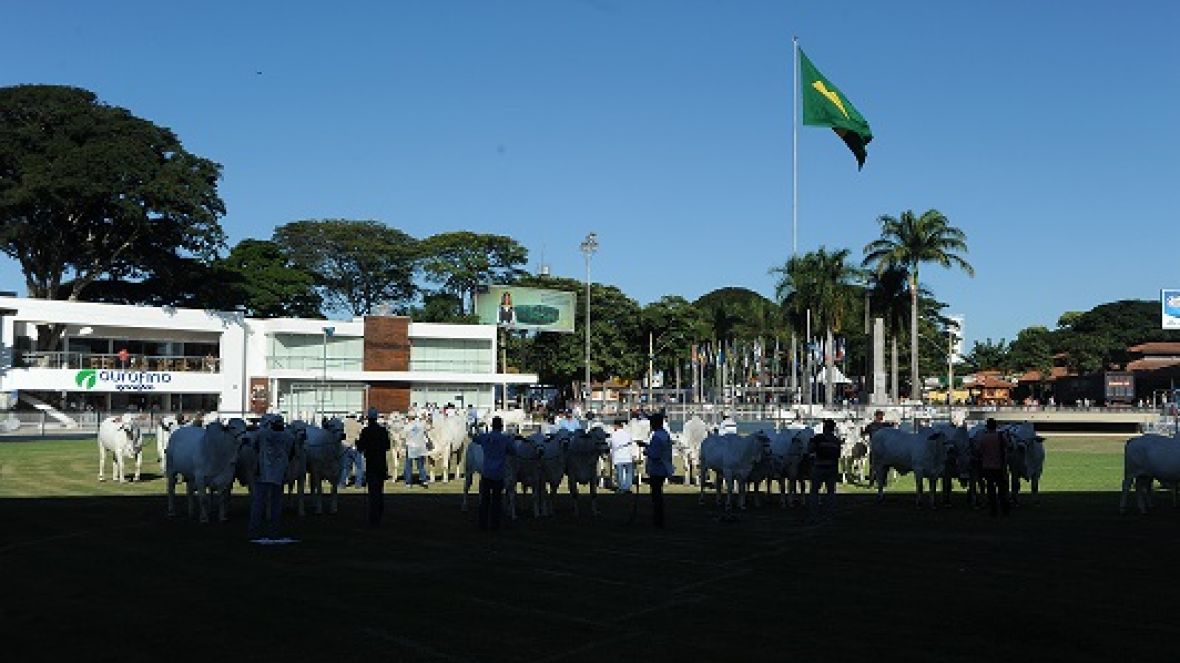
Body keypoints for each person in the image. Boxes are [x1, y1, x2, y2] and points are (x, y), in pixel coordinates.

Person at [248, 415, 295, 542]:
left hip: (263, 473)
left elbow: (252, 445)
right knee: (276, 505)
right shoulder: (289, 436)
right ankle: (274, 532)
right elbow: (292, 453)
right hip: (279, 474)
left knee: (258, 504)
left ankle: (254, 531)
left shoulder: (262, 434)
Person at [471, 416, 513, 530]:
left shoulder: (486, 437)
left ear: (492, 426)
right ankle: (495, 524)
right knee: (497, 501)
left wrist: (474, 428)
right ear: (501, 426)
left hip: (486, 472)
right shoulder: (505, 439)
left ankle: (482, 524)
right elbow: (513, 450)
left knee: (484, 500)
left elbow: (474, 439)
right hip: (499, 473)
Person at [355, 407, 391, 526]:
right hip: (381, 463)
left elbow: (360, 447)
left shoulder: (366, 431)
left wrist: (358, 443)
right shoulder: (383, 431)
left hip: (370, 464)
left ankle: (373, 517)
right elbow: (387, 446)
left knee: (372, 492)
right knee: (379, 491)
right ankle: (380, 513)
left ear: (368, 418)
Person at [641, 413, 673, 527]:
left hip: (657, 468)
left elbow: (654, 454)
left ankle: (658, 520)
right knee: (658, 494)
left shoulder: (657, 436)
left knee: (656, 495)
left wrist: (645, 450)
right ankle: (659, 519)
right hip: (664, 467)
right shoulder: (665, 435)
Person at [808, 419, 842, 522]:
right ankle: (830, 514)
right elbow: (838, 456)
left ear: (824, 428)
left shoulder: (818, 438)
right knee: (831, 492)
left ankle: (814, 514)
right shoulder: (836, 441)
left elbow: (810, 449)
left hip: (818, 467)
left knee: (814, 491)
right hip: (831, 468)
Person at [976, 418, 1009, 517]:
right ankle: (1004, 509)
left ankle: (993, 510)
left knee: (990, 489)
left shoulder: (983, 438)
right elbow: (1008, 446)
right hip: (999, 466)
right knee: (1002, 489)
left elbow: (979, 451)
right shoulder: (1000, 437)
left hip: (987, 466)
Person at [338, 413, 365, 489]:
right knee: (359, 467)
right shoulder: (358, 425)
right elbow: (362, 435)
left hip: (345, 447)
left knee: (345, 467)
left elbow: (340, 435)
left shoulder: (343, 424)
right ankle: (358, 484)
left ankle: (342, 484)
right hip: (356, 447)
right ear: (355, 416)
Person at [403, 412, 430, 488]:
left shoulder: (407, 426)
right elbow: (426, 431)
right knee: (421, 466)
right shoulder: (421, 424)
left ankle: (408, 482)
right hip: (420, 447)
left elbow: (403, 436)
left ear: (408, 417)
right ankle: (424, 480)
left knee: (409, 466)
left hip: (411, 447)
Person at [609, 419, 635, 492]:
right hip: (627, 456)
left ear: (616, 426)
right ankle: (627, 486)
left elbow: (612, 445)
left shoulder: (614, 435)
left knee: (620, 474)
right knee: (628, 474)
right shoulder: (627, 434)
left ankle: (622, 487)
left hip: (618, 457)